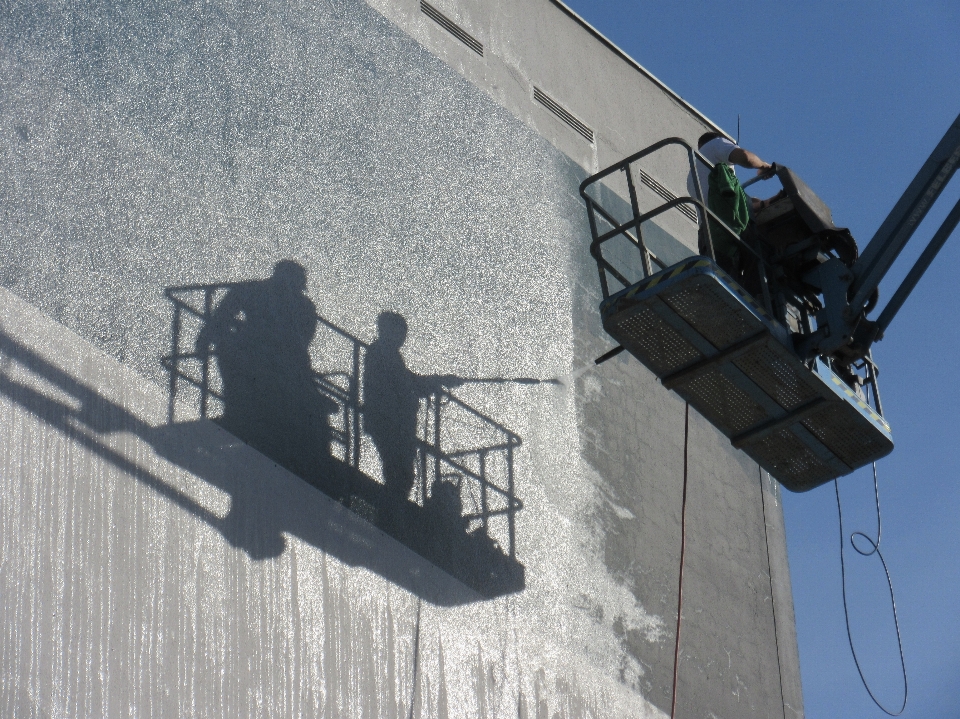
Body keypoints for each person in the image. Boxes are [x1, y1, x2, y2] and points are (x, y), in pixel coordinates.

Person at [695, 132, 783, 282]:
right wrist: (764, 166)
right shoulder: (716, 144)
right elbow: (745, 156)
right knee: (765, 251)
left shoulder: (699, 173)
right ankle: (760, 297)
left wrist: (768, 202)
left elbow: (737, 204)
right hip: (728, 228)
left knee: (724, 285)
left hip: (709, 236)